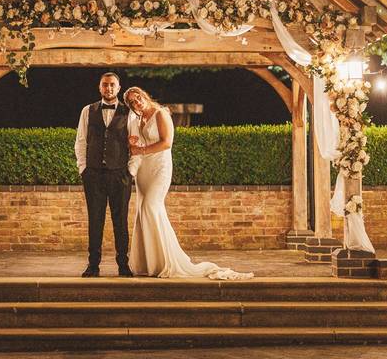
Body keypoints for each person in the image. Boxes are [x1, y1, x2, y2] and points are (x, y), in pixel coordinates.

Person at [124, 86, 253, 280]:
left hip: (160, 167)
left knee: (152, 206)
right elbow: (137, 145)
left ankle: (167, 260)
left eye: (138, 98)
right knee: (142, 210)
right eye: (132, 102)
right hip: (143, 171)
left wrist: (141, 151)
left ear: (145, 96)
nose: (137, 103)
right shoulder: (137, 119)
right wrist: (133, 144)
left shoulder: (160, 113)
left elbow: (167, 143)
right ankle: (148, 263)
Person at [74, 72, 134, 277]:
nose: (108, 88)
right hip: (93, 174)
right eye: (105, 85)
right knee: (95, 220)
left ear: (118, 88)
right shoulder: (87, 111)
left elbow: (136, 144)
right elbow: (81, 141)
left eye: (112, 85)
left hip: (120, 175)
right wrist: (83, 168)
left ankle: (123, 265)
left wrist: (130, 171)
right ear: (99, 87)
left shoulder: (130, 112)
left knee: (121, 221)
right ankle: (93, 265)